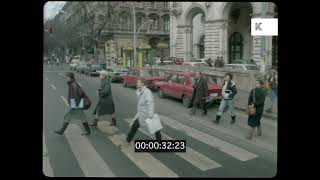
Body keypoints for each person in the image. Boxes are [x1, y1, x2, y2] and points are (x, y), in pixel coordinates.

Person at [125, 78, 161, 145]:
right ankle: (128, 139)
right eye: (136, 82)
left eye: (138, 82)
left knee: (153, 127)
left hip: (147, 114)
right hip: (141, 114)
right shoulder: (139, 91)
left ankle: (159, 141)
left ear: (142, 84)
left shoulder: (147, 92)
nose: (136, 83)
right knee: (135, 125)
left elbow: (150, 103)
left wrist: (150, 114)